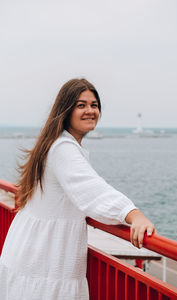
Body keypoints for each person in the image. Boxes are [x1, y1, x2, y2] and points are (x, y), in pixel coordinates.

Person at [0, 78, 155, 300]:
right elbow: (91, 189)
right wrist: (132, 214)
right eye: (80, 105)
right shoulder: (63, 148)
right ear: (65, 110)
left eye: (94, 105)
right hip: (45, 261)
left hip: (29, 252)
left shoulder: (54, 143)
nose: (90, 111)